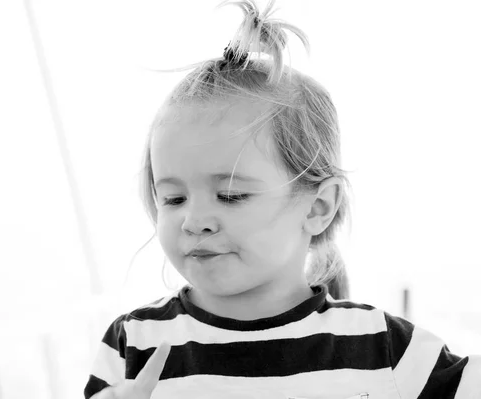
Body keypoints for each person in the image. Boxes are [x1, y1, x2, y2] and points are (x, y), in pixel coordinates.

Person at [84, 1, 480, 398]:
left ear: (318, 207)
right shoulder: (132, 344)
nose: (193, 220)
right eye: (173, 199)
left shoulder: (389, 351)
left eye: (230, 195)